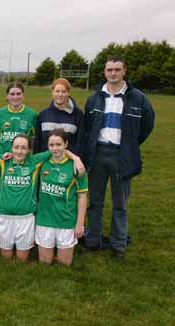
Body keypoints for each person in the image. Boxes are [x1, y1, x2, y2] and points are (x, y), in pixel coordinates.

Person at [83, 56, 156, 259]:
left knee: (120, 204)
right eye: (109, 70)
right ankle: (92, 241)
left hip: (121, 156)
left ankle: (118, 245)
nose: (113, 73)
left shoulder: (138, 98)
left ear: (124, 71)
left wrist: (131, 144)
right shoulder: (94, 98)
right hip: (98, 155)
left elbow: (147, 124)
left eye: (117, 69)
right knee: (95, 201)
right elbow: (89, 125)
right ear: (105, 72)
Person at [0, 134, 83, 261]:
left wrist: (76, 158)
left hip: (26, 218)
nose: (19, 151)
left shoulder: (34, 162)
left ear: (29, 150)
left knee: (21, 259)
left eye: (24, 148)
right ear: (11, 148)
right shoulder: (3, 163)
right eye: (16, 147)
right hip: (4, 216)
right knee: (6, 258)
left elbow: (57, 150)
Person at [35, 129, 88, 266]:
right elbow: (22, 157)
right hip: (45, 219)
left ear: (66, 144)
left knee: (64, 264)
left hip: (66, 220)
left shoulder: (77, 167)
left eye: (58, 144)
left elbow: (82, 196)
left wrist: (79, 224)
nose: (55, 148)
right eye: (51, 145)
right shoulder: (42, 162)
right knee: (45, 263)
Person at [34, 78, 85, 158]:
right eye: (57, 91)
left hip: (68, 164)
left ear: (68, 93)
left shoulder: (78, 115)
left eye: (63, 92)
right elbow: (37, 143)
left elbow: (80, 143)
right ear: (52, 92)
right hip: (46, 164)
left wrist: (77, 161)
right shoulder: (43, 115)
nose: (60, 95)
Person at [0, 81, 36, 157]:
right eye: (12, 94)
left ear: (23, 95)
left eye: (18, 94)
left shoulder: (32, 114)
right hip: (1, 157)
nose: (15, 97)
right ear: (7, 96)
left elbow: (33, 140)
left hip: (22, 158)